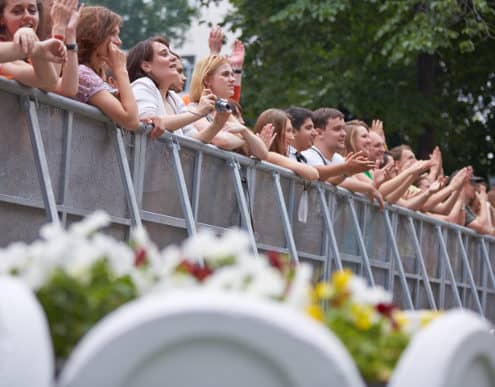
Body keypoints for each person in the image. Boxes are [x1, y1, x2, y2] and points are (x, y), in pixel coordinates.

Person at [127, 36, 228, 142]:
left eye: (170, 53)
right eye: (164, 54)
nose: (173, 57)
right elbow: (150, 122)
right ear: (146, 66)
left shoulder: (174, 98)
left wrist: (217, 124)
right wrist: (198, 113)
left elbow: (193, 141)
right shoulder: (142, 84)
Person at [188, 55, 268, 159]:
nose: (232, 80)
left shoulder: (226, 112)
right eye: (225, 74)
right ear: (207, 80)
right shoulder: (193, 109)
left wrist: (244, 131)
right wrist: (245, 140)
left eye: (232, 74)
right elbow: (222, 140)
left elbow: (263, 154)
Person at [75, 5, 139, 130]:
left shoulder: (93, 73)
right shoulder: (83, 74)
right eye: (113, 33)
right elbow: (131, 121)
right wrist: (121, 70)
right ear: (95, 34)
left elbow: (132, 115)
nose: (119, 41)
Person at [0, 0, 68, 90]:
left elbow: (51, 83)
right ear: (1, 18)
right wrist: (36, 48)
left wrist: (66, 29)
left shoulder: (32, 56)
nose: (28, 16)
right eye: (17, 11)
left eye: (32, 10)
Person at [253, 108, 318, 180]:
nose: (292, 137)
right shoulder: (270, 156)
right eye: (289, 131)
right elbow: (313, 173)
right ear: (273, 132)